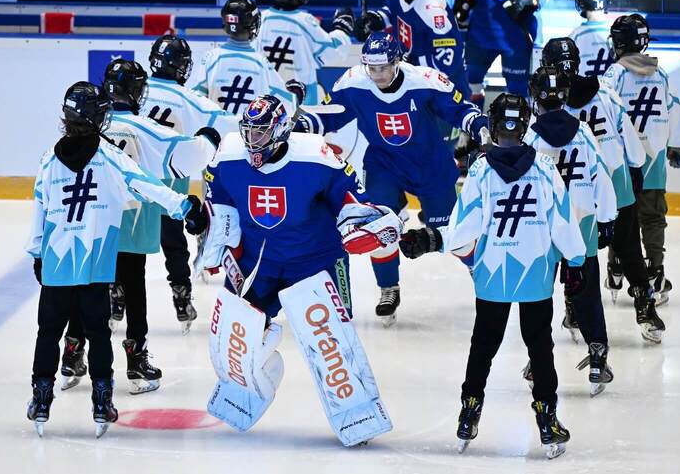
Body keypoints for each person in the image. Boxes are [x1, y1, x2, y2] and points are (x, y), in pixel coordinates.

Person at [189, 95, 402, 445]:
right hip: (260, 260)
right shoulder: (227, 157)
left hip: (317, 260)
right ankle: (244, 391)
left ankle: (357, 413)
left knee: (330, 340)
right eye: (248, 132)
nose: (252, 142)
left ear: (281, 130)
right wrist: (215, 245)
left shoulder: (317, 156)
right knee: (233, 332)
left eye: (260, 134)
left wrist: (365, 226)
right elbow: (221, 206)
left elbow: (350, 204)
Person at [399, 93, 583, 459]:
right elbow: (562, 221)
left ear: (494, 127)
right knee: (540, 347)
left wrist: (431, 239)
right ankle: (547, 419)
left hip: (493, 274)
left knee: (483, 344)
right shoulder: (545, 168)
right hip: (536, 273)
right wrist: (576, 263)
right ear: (526, 124)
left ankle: (469, 410)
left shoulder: (482, 171)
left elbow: (465, 229)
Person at [25, 81, 204, 438]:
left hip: (58, 263)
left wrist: (37, 251)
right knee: (98, 334)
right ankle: (102, 401)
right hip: (96, 265)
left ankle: (41, 400)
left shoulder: (48, 158)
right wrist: (184, 205)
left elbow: (40, 207)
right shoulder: (109, 157)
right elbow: (147, 184)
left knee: (48, 333)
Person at [296, 32, 488, 326]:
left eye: (384, 67)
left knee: (454, 233)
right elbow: (329, 114)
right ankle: (388, 288)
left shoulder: (424, 79)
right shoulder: (353, 82)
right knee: (378, 227)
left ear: (398, 61)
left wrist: (481, 128)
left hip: (430, 167)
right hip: (385, 166)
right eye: (372, 69)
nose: (378, 75)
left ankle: (480, 274)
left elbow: (460, 109)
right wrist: (302, 125)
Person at [61, 59, 220, 394]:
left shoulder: (86, 127)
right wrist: (209, 137)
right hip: (130, 221)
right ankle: (136, 361)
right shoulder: (144, 129)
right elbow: (190, 155)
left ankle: (73, 350)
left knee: (85, 284)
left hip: (89, 220)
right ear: (135, 91)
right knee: (134, 287)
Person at [541, 37, 663, 343]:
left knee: (574, 251)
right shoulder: (605, 92)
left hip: (575, 188)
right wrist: (634, 167)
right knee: (628, 247)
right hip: (616, 181)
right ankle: (645, 307)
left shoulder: (549, 103)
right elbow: (629, 138)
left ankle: (573, 306)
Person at [524, 66, 618, 396]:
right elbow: (601, 177)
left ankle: (538, 360)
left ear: (535, 97)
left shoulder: (530, 137)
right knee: (587, 290)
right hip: (582, 223)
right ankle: (597, 356)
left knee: (539, 295)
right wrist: (607, 218)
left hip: (542, 225)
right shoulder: (583, 133)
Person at [140, 34, 239, 334]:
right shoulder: (188, 99)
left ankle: (116, 296)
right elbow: (225, 122)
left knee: (126, 246)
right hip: (172, 176)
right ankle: (182, 294)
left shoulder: (137, 90)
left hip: (133, 177)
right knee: (173, 241)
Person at [605, 14, 680, 308]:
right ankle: (654, 270)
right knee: (653, 218)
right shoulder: (661, 75)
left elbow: (604, 112)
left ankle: (617, 265)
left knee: (620, 216)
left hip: (624, 164)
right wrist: (678, 145)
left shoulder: (614, 76)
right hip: (654, 163)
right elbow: (674, 109)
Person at [354, 0, 469, 95]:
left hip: (444, 87)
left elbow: (448, 60)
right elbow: (392, 11)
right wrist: (373, 20)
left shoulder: (433, 9)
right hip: (414, 78)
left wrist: (411, 64)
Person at [258, 0, 355, 103]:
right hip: (300, 96)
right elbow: (333, 51)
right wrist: (342, 29)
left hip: (264, 93)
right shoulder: (304, 21)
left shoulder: (261, 19)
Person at [194, 0, 301, 115]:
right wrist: (298, 94)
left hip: (217, 131)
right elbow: (286, 102)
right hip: (251, 132)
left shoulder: (211, 57)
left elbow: (197, 98)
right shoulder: (261, 63)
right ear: (252, 24)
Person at [568, 0, 617, 77]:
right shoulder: (619, 32)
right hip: (613, 92)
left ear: (581, 1)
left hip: (584, 92)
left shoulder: (575, 37)